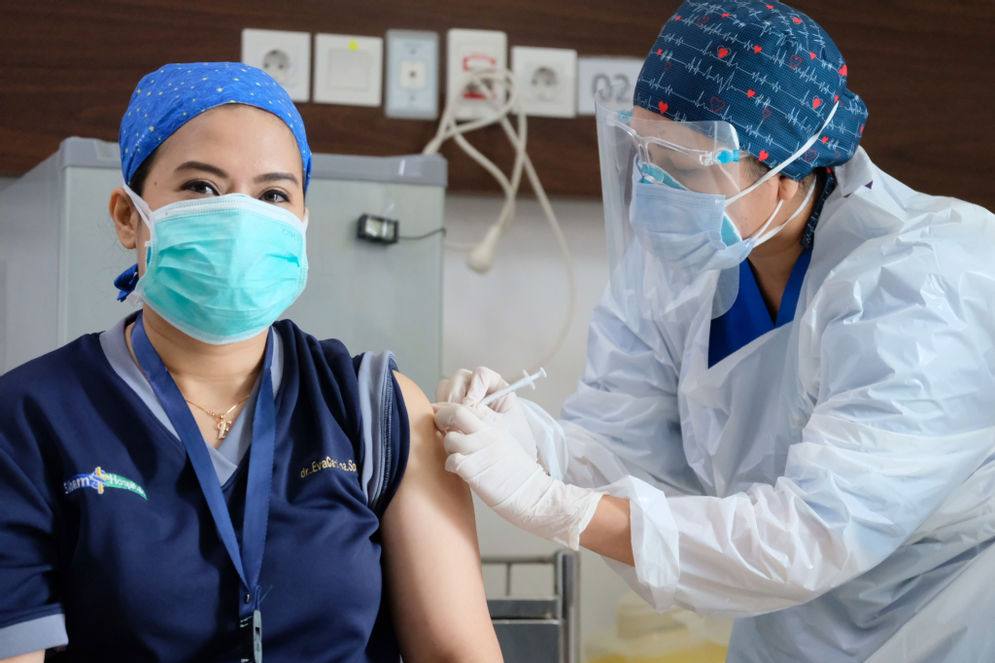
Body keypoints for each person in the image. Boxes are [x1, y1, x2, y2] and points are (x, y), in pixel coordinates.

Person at [434, 2, 995, 661]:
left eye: (686, 168)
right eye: (643, 154)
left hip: (943, 622)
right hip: (783, 628)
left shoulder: (923, 285)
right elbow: (626, 455)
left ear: (788, 174)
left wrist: (559, 507)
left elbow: (812, 533)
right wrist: (530, 438)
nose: (655, 189)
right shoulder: (681, 267)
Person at [0, 62, 502, 663]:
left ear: (301, 224)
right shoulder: (31, 417)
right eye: (202, 188)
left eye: (272, 195)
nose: (239, 218)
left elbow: (458, 654)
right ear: (129, 216)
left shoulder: (375, 408)